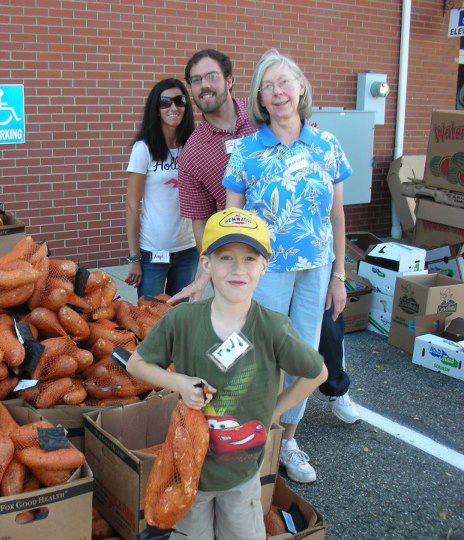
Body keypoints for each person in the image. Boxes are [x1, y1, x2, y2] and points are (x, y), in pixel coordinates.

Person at [127, 208, 327, 540]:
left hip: (242, 474)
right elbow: (137, 364)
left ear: (264, 266)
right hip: (190, 468)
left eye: (250, 258)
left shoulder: (273, 328)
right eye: (225, 258)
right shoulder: (182, 321)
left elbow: (316, 373)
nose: (238, 269)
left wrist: (274, 411)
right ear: (206, 263)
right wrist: (178, 381)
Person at [221, 49, 351, 483]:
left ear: (301, 88)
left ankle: (289, 439)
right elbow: (231, 221)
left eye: (284, 82)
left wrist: (339, 275)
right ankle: (260, 435)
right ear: (260, 98)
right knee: (263, 358)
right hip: (266, 271)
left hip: (316, 269)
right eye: (268, 86)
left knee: (304, 356)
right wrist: (225, 274)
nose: (278, 93)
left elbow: (336, 215)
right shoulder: (246, 152)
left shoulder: (326, 144)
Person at [172, 49, 258, 301]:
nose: (204, 86)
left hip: (295, 245)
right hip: (244, 261)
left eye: (211, 76)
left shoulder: (262, 114)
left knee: (320, 336)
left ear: (229, 81)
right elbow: (200, 220)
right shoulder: (193, 154)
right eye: (196, 80)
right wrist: (207, 271)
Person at [124, 78, 198, 297]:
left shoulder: (192, 145)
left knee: (178, 317)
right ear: (155, 109)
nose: (173, 108)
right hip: (153, 252)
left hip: (188, 250)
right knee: (150, 319)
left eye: (179, 101)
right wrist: (134, 257)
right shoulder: (143, 148)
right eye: (165, 102)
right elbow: (131, 205)